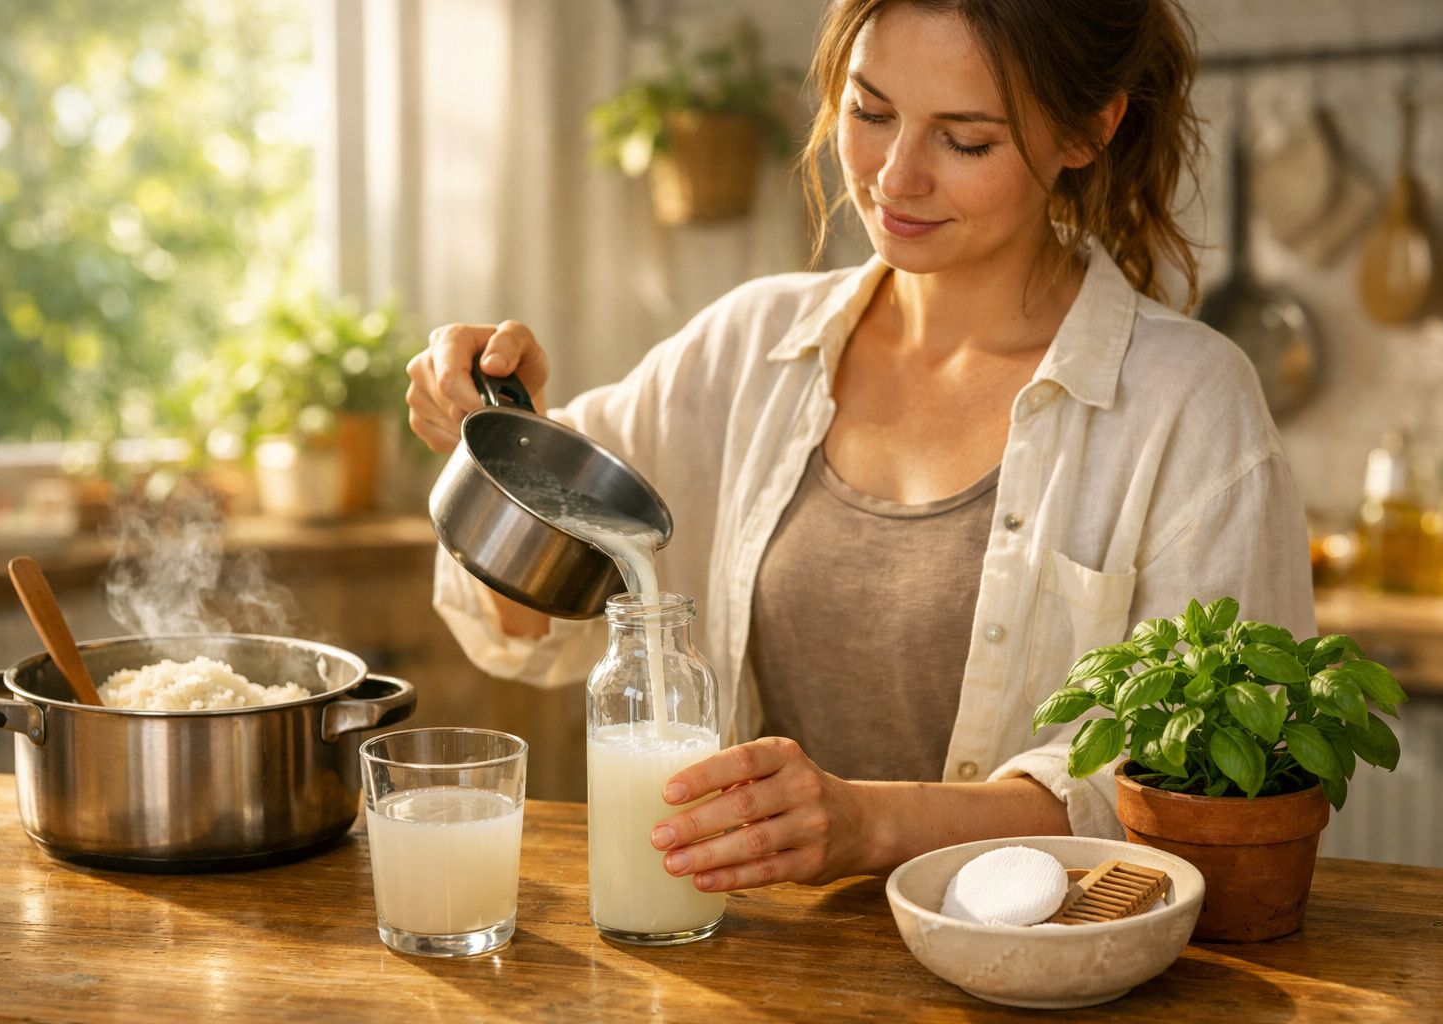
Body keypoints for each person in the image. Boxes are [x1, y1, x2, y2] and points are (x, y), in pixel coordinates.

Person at [405, 0, 1314, 895]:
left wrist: (866, 823)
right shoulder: (746, 349)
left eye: (966, 141)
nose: (895, 177)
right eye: (870, 112)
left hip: (1050, 984)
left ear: (1087, 128)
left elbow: (1204, 788)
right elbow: (530, 634)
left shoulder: (1187, 404)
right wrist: (493, 449)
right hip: (761, 970)